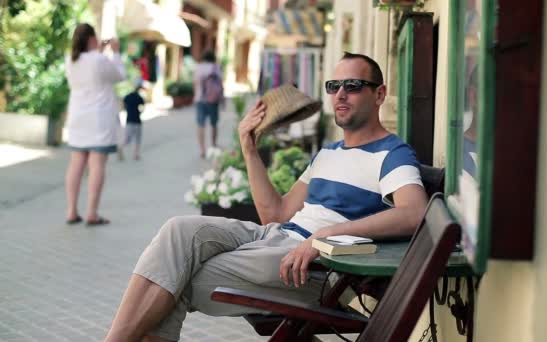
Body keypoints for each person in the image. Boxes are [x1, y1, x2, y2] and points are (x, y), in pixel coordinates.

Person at [104, 52, 428, 341]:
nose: (341, 94)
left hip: (316, 267)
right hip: (277, 237)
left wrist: (324, 235)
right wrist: (249, 147)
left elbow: (413, 212)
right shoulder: (329, 153)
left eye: (354, 85)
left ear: (380, 94)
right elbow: (276, 215)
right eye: (334, 86)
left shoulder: (392, 154)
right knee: (178, 231)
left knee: (172, 280)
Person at [64, 23, 126, 226]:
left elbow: (91, 69)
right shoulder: (99, 60)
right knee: (97, 164)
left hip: (78, 119)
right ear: (92, 39)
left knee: (76, 164)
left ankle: (71, 211)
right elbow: (119, 75)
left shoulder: (71, 61)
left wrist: (98, 51)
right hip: (99, 120)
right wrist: (115, 52)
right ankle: (92, 213)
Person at [193, 49, 223, 158]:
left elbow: (195, 83)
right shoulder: (216, 67)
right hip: (213, 100)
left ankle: (202, 150)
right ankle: (213, 145)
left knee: (201, 125)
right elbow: (220, 84)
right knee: (214, 124)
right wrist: (222, 99)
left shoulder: (198, 67)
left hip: (200, 100)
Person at [121, 80, 146, 161]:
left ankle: (121, 148)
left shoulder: (127, 96)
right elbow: (143, 107)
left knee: (127, 139)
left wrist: (127, 110)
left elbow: (123, 105)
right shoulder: (139, 97)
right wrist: (139, 112)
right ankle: (136, 155)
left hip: (129, 120)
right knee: (137, 138)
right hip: (137, 120)